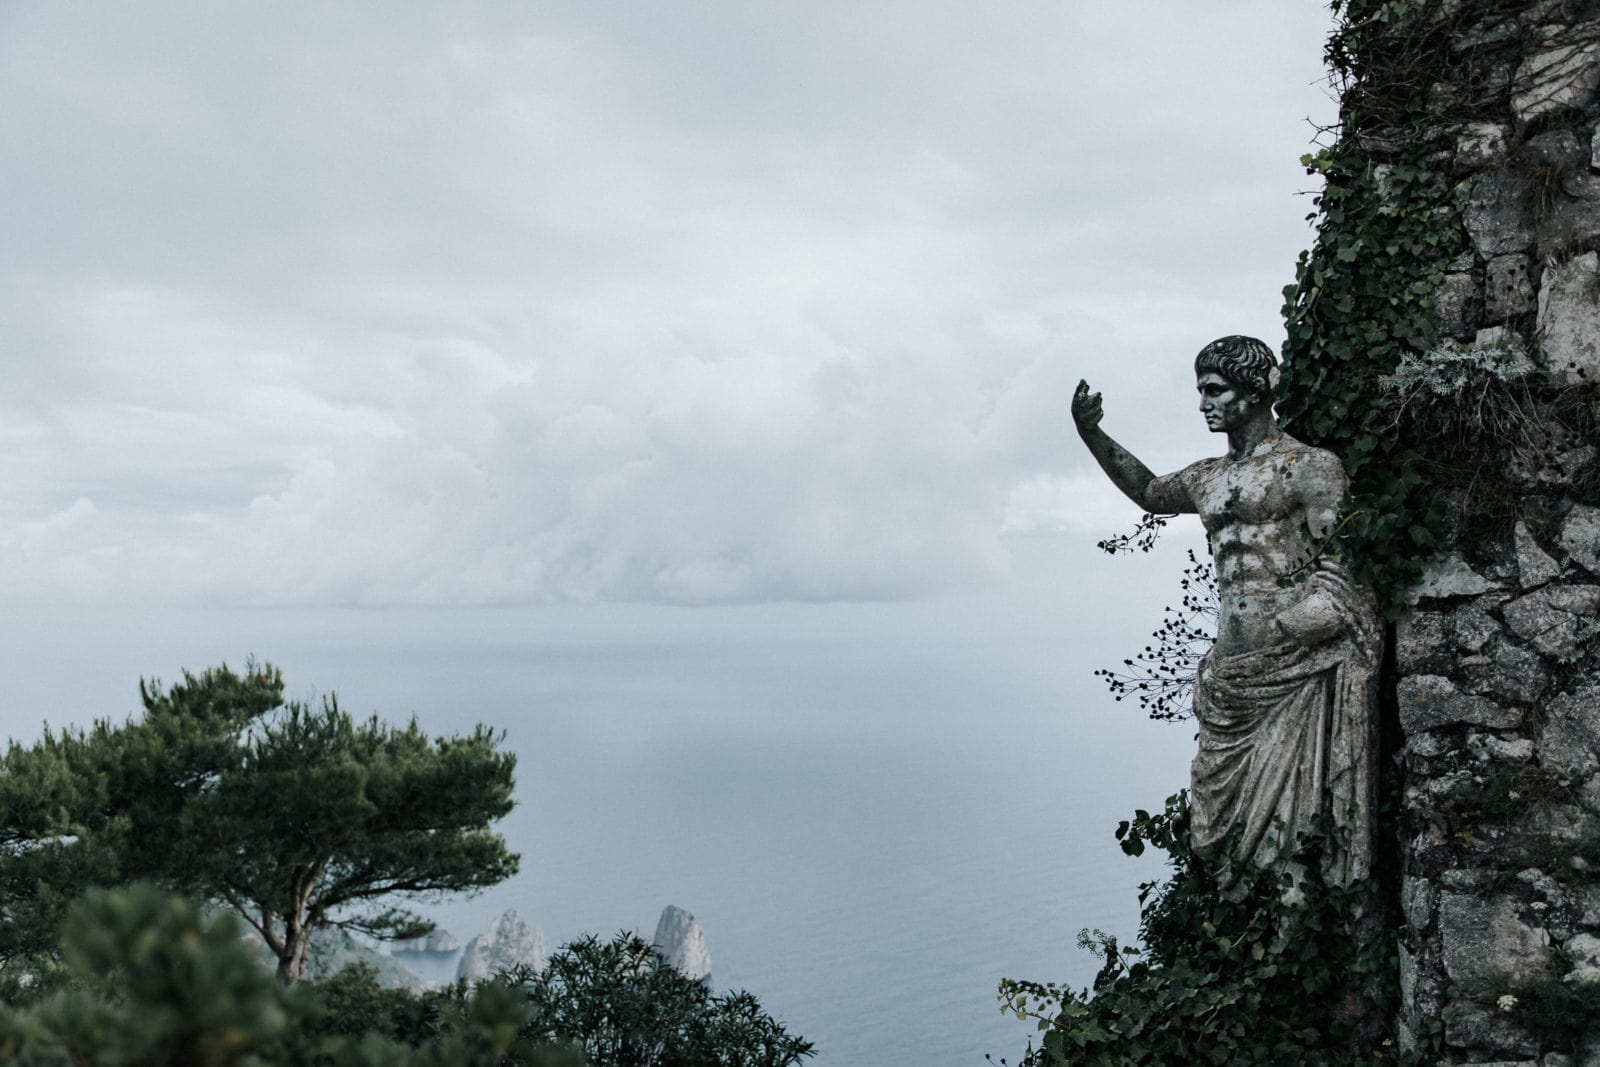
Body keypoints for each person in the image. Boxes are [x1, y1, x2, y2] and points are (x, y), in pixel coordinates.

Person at [1072, 335, 1380, 895]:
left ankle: (1298, 932)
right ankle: (1244, 931)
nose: (1204, 404)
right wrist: (1091, 433)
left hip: (1291, 669)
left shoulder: (1309, 468)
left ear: (1259, 388)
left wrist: (1295, 624)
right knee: (1218, 830)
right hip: (1231, 675)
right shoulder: (1207, 477)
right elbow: (1148, 491)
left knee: (1292, 833)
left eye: (1216, 390)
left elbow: (1342, 573)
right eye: (1201, 391)